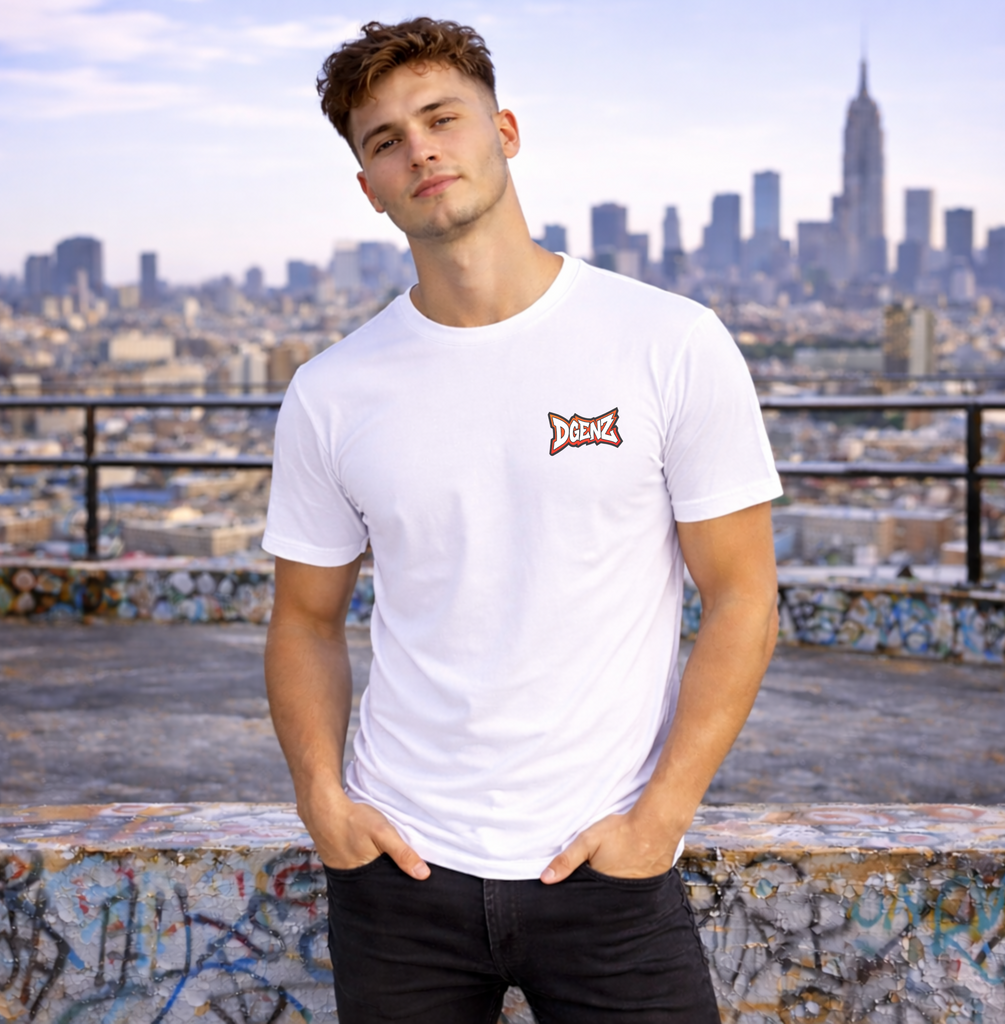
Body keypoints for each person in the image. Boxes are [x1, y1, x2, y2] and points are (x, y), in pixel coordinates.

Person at [263, 16, 782, 1024]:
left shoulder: (669, 342)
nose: (419, 149)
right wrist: (322, 799)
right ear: (367, 187)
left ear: (504, 131)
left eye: (441, 117)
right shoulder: (332, 391)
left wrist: (657, 822)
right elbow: (303, 619)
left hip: (608, 868)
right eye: (384, 140)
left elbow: (743, 596)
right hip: (398, 876)